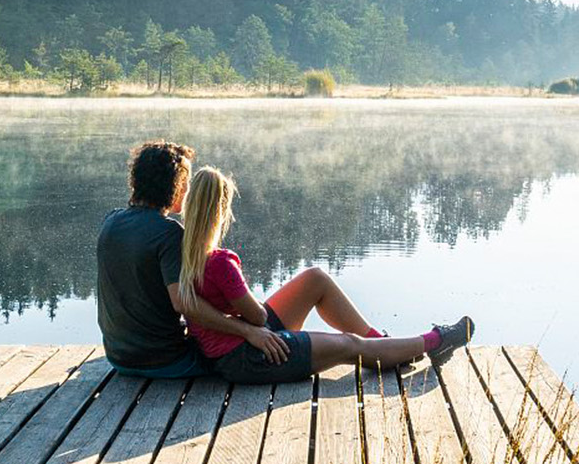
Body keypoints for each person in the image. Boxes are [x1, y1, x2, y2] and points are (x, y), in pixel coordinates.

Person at [177, 164, 473, 383]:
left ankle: (382, 345)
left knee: (315, 279)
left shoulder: (181, 251)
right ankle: (436, 341)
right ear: (221, 209)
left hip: (234, 346)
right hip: (247, 357)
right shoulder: (220, 262)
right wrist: (246, 311)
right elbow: (258, 318)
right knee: (348, 345)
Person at [96, 140, 285, 377]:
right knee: (263, 335)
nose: (188, 192)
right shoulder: (169, 234)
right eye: (186, 184)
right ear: (174, 186)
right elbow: (184, 303)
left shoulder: (110, 221)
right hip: (165, 360)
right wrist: (247, 330)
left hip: (119, 356)